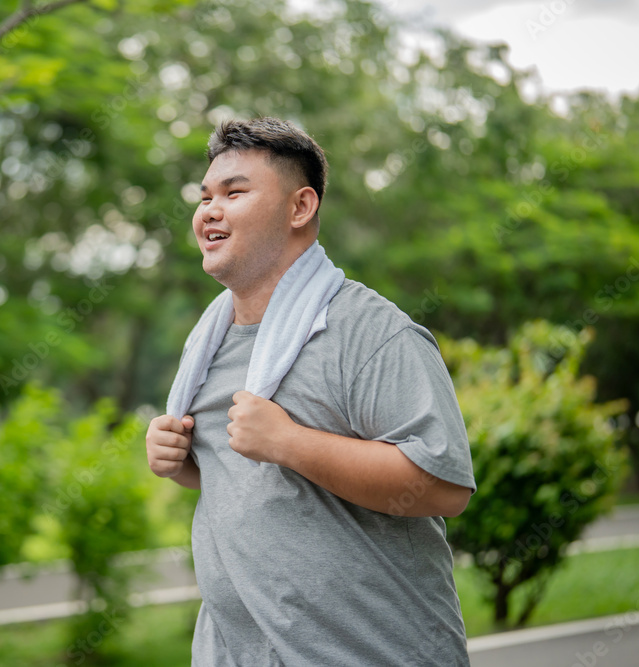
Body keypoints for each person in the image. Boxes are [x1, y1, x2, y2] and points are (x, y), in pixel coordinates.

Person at [145, 117, 476, 666]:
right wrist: (182, 462)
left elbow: (444, 486)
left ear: (300, 207)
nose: (209, 211)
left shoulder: (370, 331)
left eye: (234, 193)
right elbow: (254, 482)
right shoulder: (206, 342)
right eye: (205, 197)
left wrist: (289, 442)